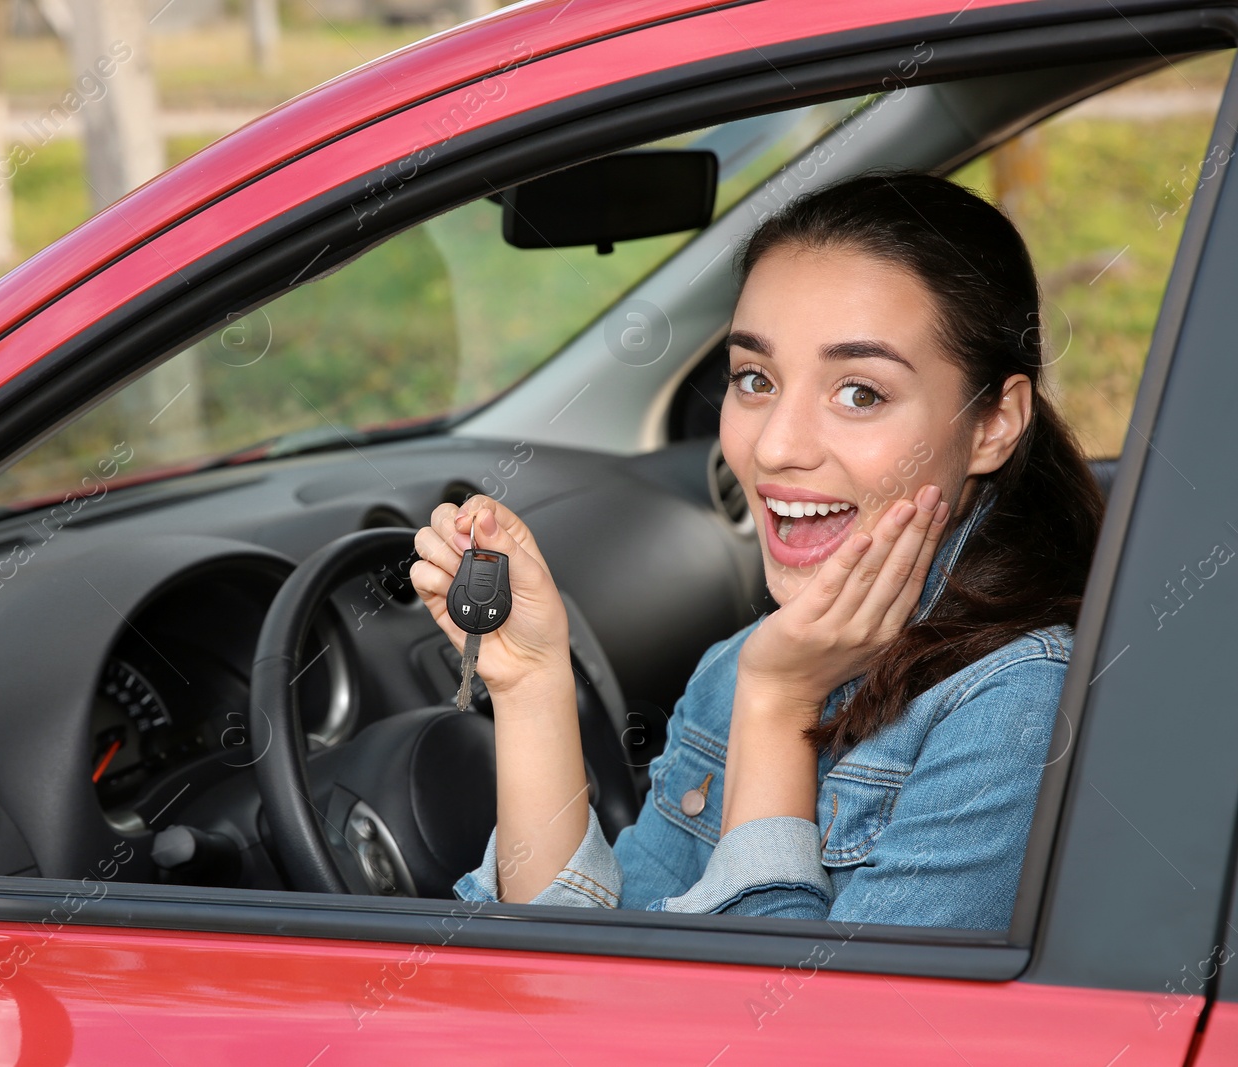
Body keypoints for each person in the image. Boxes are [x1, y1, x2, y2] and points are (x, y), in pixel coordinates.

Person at [409, 171, 1105, 927]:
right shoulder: (744, 664)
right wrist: (532, 684)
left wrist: (778, 708)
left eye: (859, 393)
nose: (775, 446)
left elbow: (781, 1032)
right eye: (754, 378)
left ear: (995, 423)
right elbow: (590, 975)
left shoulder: (1019, 702)